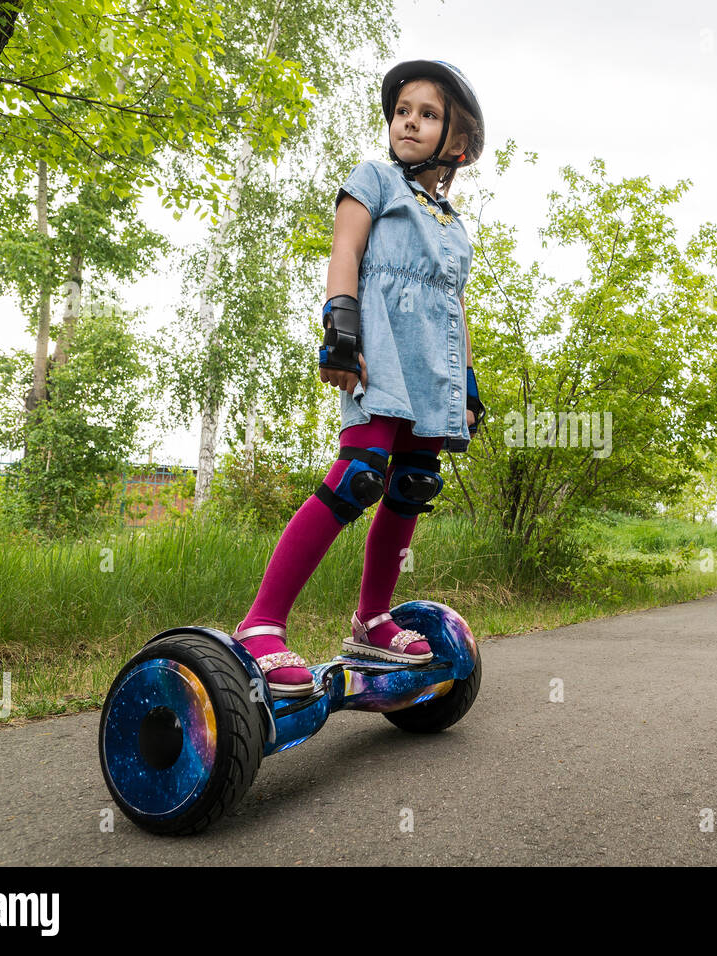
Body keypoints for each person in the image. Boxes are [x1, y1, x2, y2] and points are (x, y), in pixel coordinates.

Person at [232, 59, 487, 698]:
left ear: (457, 144)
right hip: (381, 356)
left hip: (433, 370)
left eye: (428, 114)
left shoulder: (456, 229)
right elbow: (345, 249)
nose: (409, 121)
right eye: (403, 110)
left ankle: (373, 618)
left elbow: (455, 309)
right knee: (358, 477)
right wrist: (340, 330)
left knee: (414, 485)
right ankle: (261, 622)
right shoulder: (373, 179)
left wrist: (468, 383)